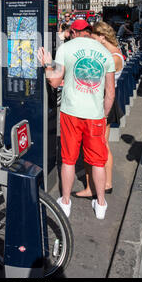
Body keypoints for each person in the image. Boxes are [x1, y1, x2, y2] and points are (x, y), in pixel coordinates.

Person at [37, 19, 115, 220]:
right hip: (95, 115)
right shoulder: (105, 52)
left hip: (71, 113)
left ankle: (65, 202)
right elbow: (110, 93)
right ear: (89, 31)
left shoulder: (66, 48)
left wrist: (47, 64)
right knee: (98, 161)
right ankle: (101, 204)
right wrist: (103, 115)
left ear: (73, 31)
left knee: (69, 160)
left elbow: (54, 82)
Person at [73, 21, 124, 199]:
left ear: (102, 37)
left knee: (95, 146)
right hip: (105, 101)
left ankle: (95, 186)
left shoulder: (113, 57)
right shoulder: (112, 53)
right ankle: (105, 183)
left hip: (103, 103)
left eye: (94, 38)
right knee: (103, 145)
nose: (92, 41)